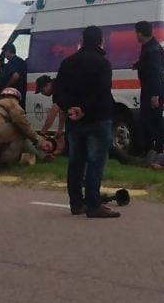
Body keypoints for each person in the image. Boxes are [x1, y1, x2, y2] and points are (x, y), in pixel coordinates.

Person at [56, 25, 120, 218]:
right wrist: (84, 109)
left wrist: (71, 108)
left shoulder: (67, 63)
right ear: (100, 41)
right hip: (98, 118)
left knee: (76, 162)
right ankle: (93, 204)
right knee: (95, 162)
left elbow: (59, 91)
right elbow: (102, 92)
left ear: (82, 41)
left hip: (74, 121)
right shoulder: (103, 64)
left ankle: (76, 203)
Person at [133, 20, 164, 156]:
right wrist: (139, 65)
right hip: (150, 89)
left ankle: (155, 151)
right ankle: (149, 149)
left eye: (136, 32)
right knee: (147, 120)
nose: (135, 35)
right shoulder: (149, 46)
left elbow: (157, 72)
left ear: (140, 33)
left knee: (153, 121)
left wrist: (155, 95)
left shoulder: (152, 50)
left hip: (153, 91)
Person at [35, 75, 66, 141]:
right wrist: (60, 130)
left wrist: (42, 133)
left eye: (42, 91)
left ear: (48, 84)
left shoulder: (57, 86)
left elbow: (53, 113)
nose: (43, 94)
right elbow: (62, 110)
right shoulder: (57, 87)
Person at [0, 43, 27, 108]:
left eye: (4, 52)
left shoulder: (13, 62)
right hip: (20, 92)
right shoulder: (19, 61)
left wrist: (6, 88)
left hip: (15, 92)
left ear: (8, 51)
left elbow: (15, 76)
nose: (4, 54)